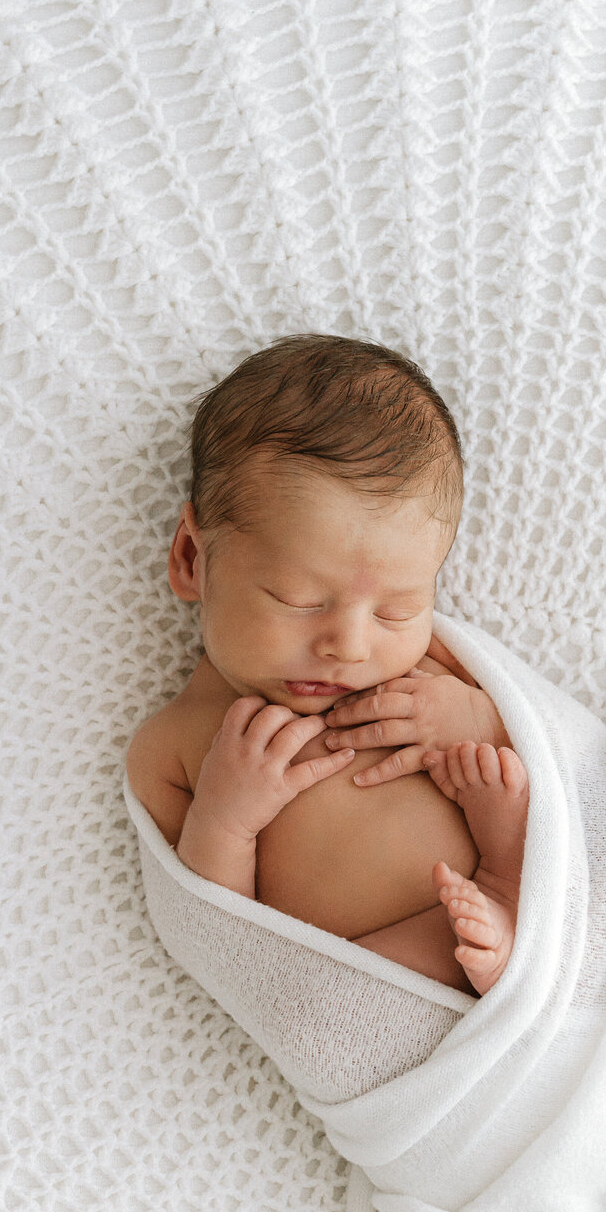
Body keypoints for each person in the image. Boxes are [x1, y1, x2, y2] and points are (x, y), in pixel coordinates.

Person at [126, 333, 529, 995]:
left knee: (510, 795)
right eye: (299, 601)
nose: (349, 646)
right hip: (360, 993)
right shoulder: (174, 747)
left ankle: (513, 892)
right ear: (193, 559)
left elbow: (547, 747)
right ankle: (494, 945)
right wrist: (225, 821)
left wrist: (476, 722)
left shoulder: (427, 669)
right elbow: (216, 937)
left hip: (512, 910)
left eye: (395, 611)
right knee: (320, 998)